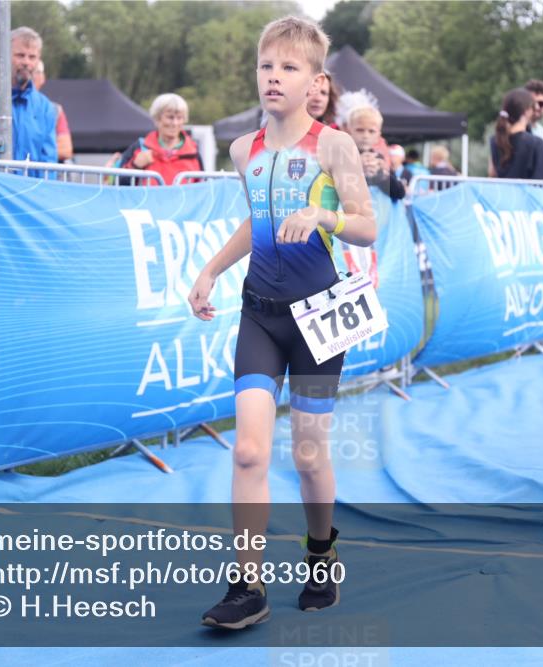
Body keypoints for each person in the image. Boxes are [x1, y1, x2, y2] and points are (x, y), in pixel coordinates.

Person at [188, 16, 376, 630]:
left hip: (319, 320)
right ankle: (248, 586)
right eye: (266, 66)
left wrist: (322, 218)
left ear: (314, 80)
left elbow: (367, 225)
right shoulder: (245, 150)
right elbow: (255, 223)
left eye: (288, 68)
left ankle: (321, 553)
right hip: (260, 318)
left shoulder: (333, 146)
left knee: (308, 455)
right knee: (247, 451)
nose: (274, 77)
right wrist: (211, 269)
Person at [0, 26, 57, 176]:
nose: (26, 62)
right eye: (20, 55)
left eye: (32, 57)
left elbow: (48, 163)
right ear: (3, 55)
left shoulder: (44, 107)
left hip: (24, 196)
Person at [106, 93, 203, 186]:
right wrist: (135, 166)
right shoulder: (140, 147)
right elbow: (117, 186)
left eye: (180, 118)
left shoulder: (193, 152)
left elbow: (203, 190)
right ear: (157, 119)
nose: (175, 123)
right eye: (170, 117)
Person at [340, 98, 406, 201]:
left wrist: (383, 176)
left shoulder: (379, 159)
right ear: (348, 130)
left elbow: (399, 193)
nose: (365, 135)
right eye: (360, 130)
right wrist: (356, 168)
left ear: (378, 135)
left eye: (371, 131)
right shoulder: (340, 155)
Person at [488, 88, 543, 183]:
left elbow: (492, 174)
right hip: (530, 197)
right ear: (527, 111)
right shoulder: (536, 144)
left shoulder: (495, 141)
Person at [32, 61, 73, 162]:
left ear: (43, 77)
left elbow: (66, 150)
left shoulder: (54, 109)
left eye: (36, 72)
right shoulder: (4, 106)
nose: (31, 76)